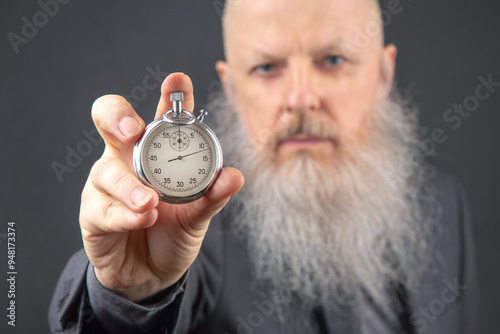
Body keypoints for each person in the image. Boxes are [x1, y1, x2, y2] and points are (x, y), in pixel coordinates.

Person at [48, 0, 479, 332]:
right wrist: (130, 293)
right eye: (267, 67)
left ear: (384, 74)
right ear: (232, 87)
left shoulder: (443, 199)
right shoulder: (191, 226)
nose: (301, 97)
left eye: (333, 60)